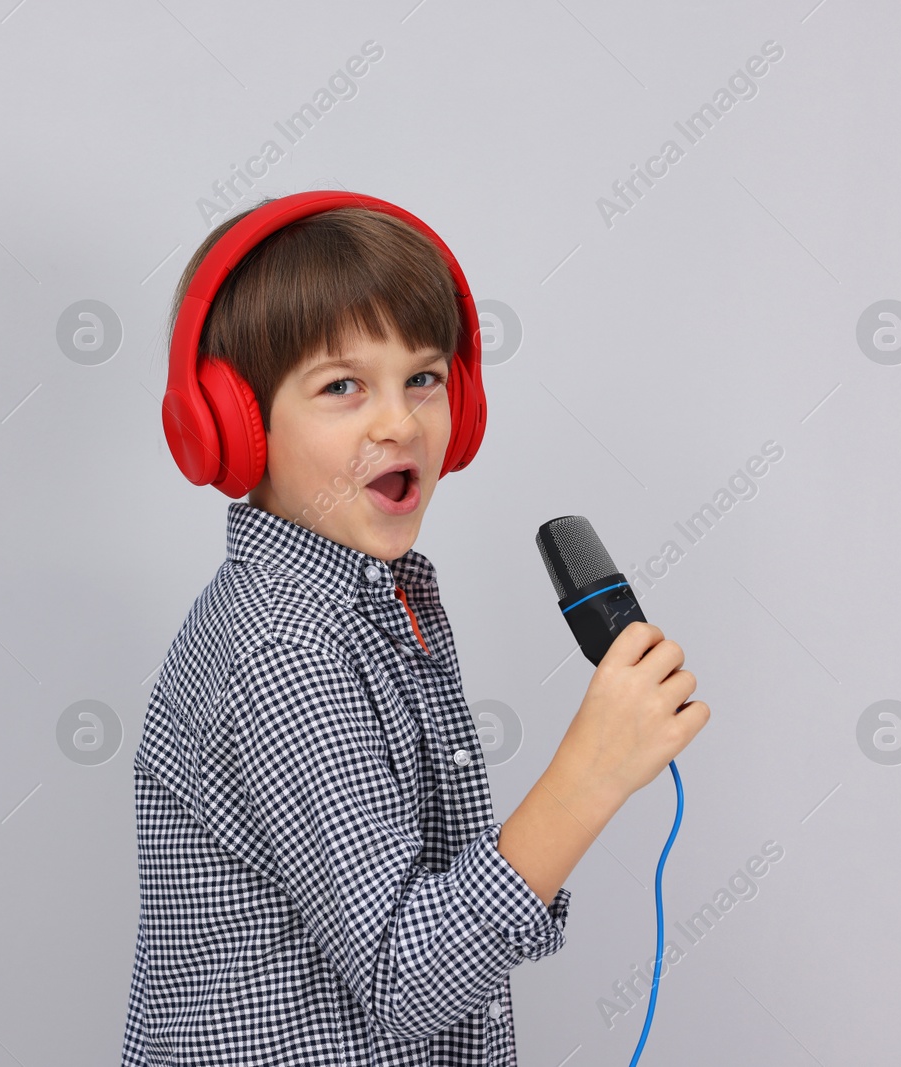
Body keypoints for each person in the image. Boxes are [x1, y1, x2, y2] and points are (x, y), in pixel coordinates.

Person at [121, 195, 710, 1066]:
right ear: (234, 427)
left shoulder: (372, 601)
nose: (399, 422)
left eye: (424, 379)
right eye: (342, 386)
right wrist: (589, 773)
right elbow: (410, 976)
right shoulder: (284, 652)